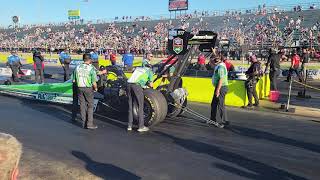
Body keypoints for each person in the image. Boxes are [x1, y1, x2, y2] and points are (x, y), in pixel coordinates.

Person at [72, 53, 98, 129]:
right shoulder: (91, 68)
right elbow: (94, 82)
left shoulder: (77, 67)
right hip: (88, 88)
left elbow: (74, 80)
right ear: (90, 60)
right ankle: (89, 124)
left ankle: (83, 123)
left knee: (82, 105)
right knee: (90, 105)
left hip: (79, 87)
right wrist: (95, 88)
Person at [127, 61, 154, 132]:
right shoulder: (149, 71)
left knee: (131, 106)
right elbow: (151, 85)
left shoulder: (138, 69)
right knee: (140, 106)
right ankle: (141, 127)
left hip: (128, 85)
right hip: (136, 86)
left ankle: (129, 126)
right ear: (150, 67)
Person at [210, 56, 229, 128]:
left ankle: (224, 121)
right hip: (219, 87)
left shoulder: (221, 68)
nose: (210, 63)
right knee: (214, 104)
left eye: (211, 62)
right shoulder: (220, 65)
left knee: (220, 105)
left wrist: (217, 90)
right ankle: (212, 119)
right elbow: (218, 59)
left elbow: (221, 79)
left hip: (221, 87)